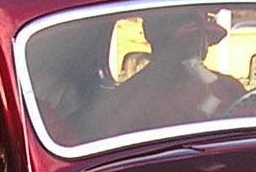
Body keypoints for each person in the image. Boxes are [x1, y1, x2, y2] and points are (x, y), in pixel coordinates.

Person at [84, 8, 245, 136]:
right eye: (187, 38)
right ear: (158, 41)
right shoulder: (127, 101)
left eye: (199, 36)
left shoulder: (228, 87)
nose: (197, 44)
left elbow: (250, 132)